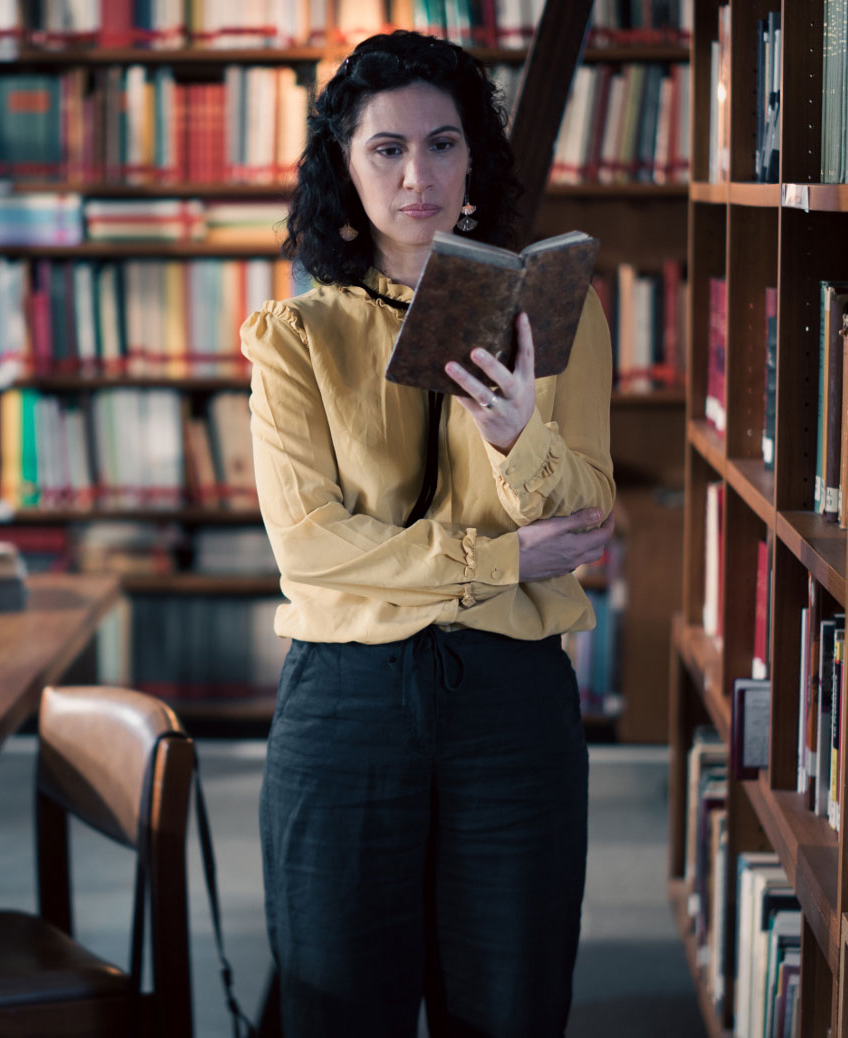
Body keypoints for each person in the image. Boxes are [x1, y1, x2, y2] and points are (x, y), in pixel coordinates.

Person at [241, 29, 618, 1037]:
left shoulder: (556, 310)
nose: (420, 176)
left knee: (511, 1004)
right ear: (344, 166)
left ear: (474, 159)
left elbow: (582, 515)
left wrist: (514, 434)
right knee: (337, 1004)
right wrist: (494, 559)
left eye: (444, 144)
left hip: (512, 704)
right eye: (387, 149)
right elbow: (311, 550)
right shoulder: (297, 339)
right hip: (349, 700)